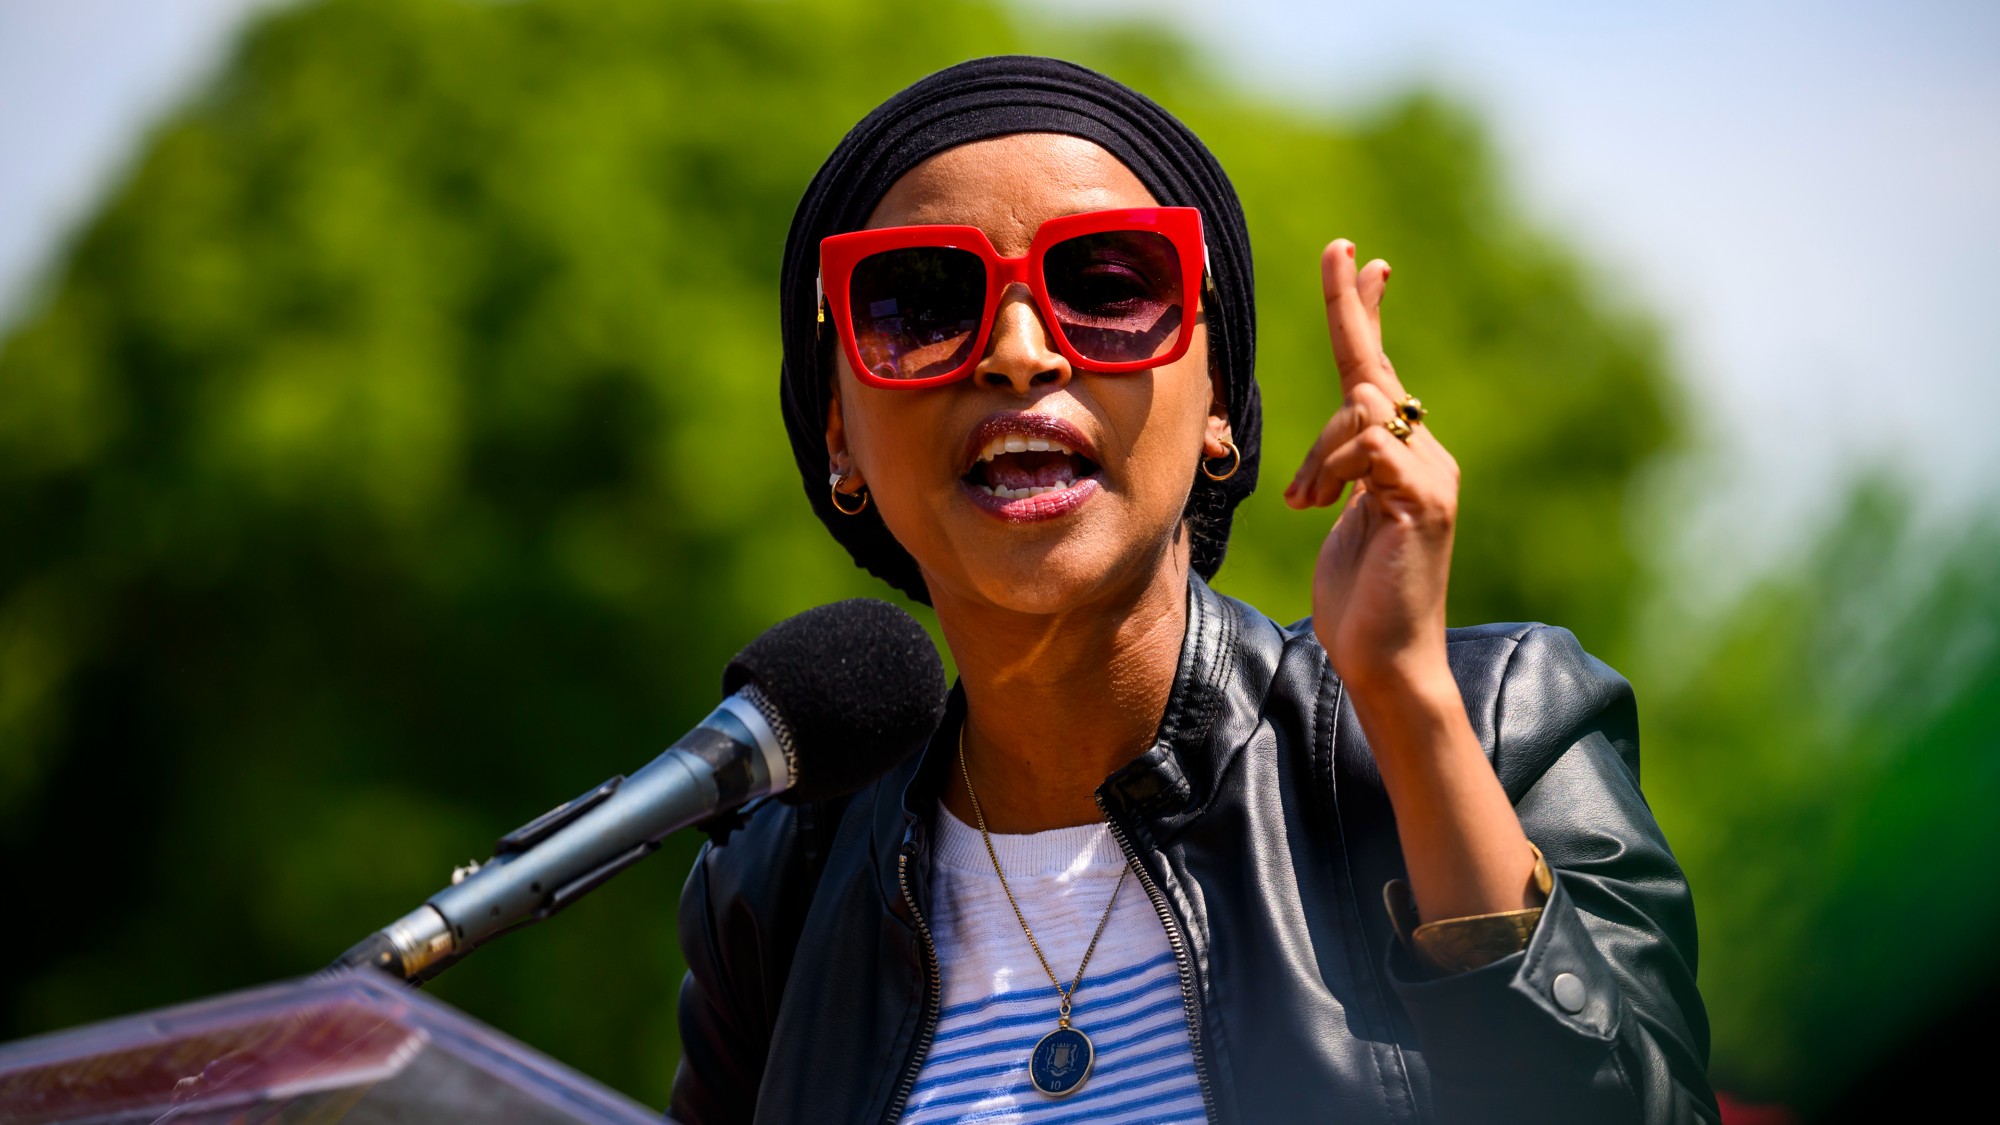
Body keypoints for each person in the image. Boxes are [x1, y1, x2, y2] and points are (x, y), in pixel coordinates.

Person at [670, 56, 1715, 1124]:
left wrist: (1406, 707)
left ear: (1218, 394)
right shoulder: (778, 885)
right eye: (922, 302)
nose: (1020, 354)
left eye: (1108, 287)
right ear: (836, 427)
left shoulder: (1493, 724)